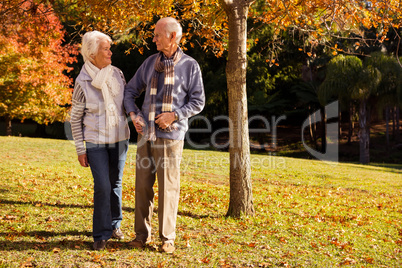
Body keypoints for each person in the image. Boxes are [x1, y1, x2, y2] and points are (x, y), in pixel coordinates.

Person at [124, 17, 205, 253]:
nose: (153, 38)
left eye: (157, 34)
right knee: (142, 187)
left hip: (172, 137)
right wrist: (134, 114)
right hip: (145, 134)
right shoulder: (150, 63)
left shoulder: (190, 66)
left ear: (172, 36)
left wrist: (175, 115)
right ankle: (141, 235)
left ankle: (167, 238)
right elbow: (130, 90)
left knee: (168, 188)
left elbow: (198, 101)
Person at [70, 30, 130, 251]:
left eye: (109, 48)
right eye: (105, 49)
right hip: (95, 141)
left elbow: (127, 103)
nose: (110, 52)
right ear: (92, 53)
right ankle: (101, 233)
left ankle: (115, 225)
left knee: (115, 184)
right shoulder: (82, 80)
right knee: (103, 186)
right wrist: (80, 148)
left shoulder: (118, 74)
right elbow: (75, 118)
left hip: (119, 138)